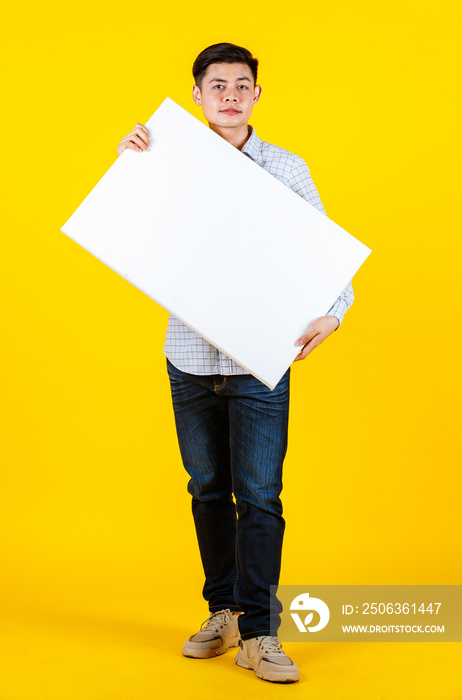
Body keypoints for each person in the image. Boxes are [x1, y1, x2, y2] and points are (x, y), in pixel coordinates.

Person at [117, 42, 354, 684]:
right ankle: (222, 611)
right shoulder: (164, 160)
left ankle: (260, 631)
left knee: (259, 495)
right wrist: (129, 169)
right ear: (196, 94)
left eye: (240, 84)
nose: (228, 94)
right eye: (215, 84)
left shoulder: (285, 167)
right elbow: (127, 228)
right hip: (188, 356)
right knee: (205, 488)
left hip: (259, 361)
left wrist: (334, 311)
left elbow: (331, 260)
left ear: (255, 94)